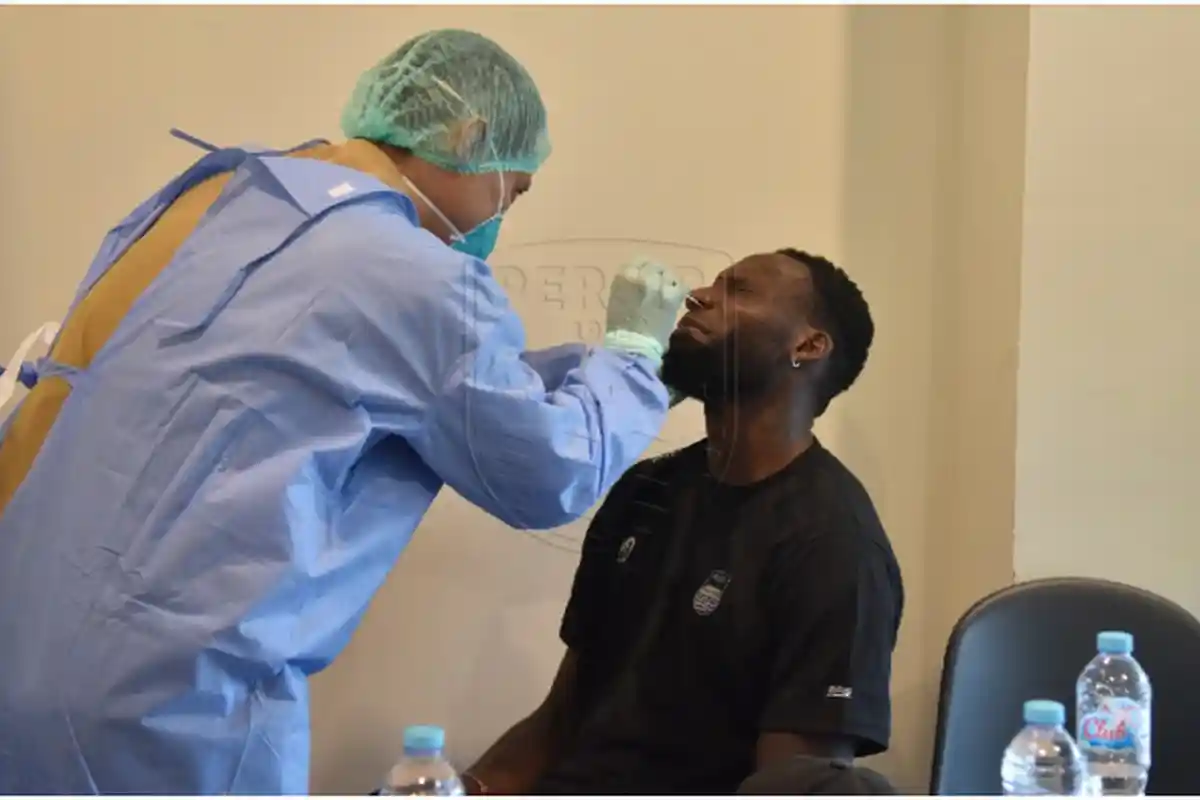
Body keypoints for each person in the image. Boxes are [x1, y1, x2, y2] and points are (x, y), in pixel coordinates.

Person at [0, 29, 688, 794]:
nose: (504, 217)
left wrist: (589, 372)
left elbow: (398, 387)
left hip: (23, 656)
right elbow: (546, 469)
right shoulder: (416, 276)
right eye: (514, 189)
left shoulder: (220, 201)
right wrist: (631, 358)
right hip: (171, 710)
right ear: (472, 137)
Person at [463, 249, 905, 795]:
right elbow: (560, 720)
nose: (697, 296)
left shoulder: (834, 543)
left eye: (739, 291)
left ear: (808, 345)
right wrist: (457, 790)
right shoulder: (647, 488)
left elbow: (792, 784)